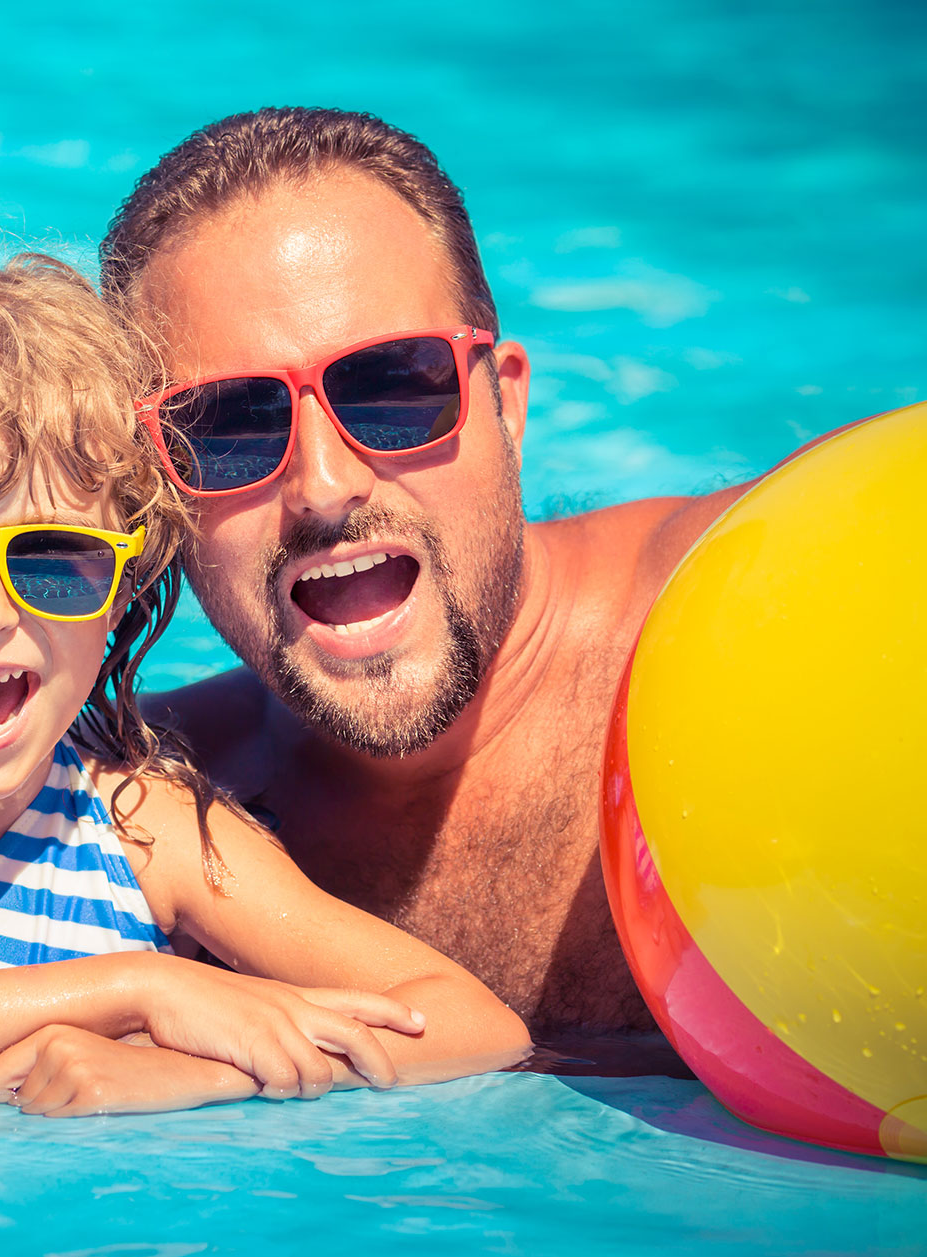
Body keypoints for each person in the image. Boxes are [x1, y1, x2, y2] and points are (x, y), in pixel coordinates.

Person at [0, 256, 530, 1116]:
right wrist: (138, 990)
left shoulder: (142, 830)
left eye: (53, 562)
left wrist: (208, 1072)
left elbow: (475, 1024)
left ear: (125, 588)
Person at [102, 107, 799, 1035]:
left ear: (506, 403)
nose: (323, 485)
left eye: (391, 387)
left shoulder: (764, 603)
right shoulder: (130, 807)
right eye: (227, 426)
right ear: (157, 493)